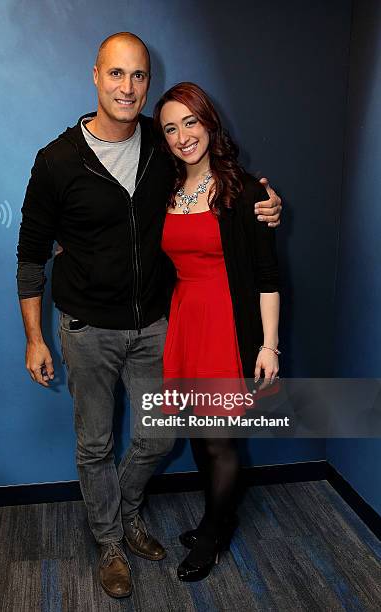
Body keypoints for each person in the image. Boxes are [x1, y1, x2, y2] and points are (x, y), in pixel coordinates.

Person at [16, 33, 282, 599]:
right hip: (86, 330)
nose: (127, 87)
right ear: (95, 76)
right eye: (116, 74)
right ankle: (110, 542)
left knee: (159, 437)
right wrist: (35, 337)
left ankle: (128, 514)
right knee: (94, 445)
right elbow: (31, 253)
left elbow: (219, 194)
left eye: (137, 77)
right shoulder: (57, 160)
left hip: (157, 327)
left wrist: (267, 201)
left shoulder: (163, 152)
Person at [153, 82, 280, 581]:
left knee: (220, 439)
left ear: (209, 122)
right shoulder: (167, 190)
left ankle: (213, 532)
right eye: (170, 128)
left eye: (190, 121)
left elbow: (268, 279)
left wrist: (268, 346)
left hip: (227, 328)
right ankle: (219, 519)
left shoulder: (246, 191)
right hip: (186, 322)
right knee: (200, 438)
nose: (183, 135)